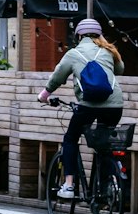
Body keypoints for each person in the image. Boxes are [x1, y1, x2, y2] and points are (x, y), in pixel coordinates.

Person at [41, 18, 127, 200]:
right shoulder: (108, 51)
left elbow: (57, 77)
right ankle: (106, 188)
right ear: (99, 34)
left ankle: (69, 185)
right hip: (115, 105)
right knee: (103, 144)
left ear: (78, 36)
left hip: (88, 105)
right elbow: (120, 69)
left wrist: (44, 95)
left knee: (70, 139)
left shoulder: (73, 53)